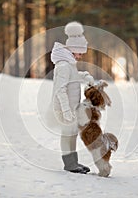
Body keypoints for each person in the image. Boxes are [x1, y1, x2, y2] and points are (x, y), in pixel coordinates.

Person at [50, 21, 94, 174]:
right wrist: (66, 110)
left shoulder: (69, 63)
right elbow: (60, 90)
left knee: (72, 134)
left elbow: (73, 78)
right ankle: (69, 164)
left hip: (71, 106)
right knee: (67, 134)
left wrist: (85, 77)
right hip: (64, 108)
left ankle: (73, 162)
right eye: (80, 53)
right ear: (73, 49)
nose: (81, 56)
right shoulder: (63, 65)